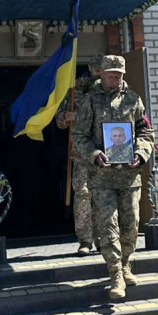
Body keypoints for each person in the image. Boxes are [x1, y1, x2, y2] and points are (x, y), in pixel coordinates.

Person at [72, 56, 154, 301]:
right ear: (102, 74)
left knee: (131, 226)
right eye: (110, 75)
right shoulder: (90, 102)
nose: (114, 79)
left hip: (129, 177)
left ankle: (126, 262)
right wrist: (95, 154)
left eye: (118, 75)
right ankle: (115, 272)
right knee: (108, 227)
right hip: (102, 178)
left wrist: (140, 153)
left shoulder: (133, 100)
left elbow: (145, 131)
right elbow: (78, 136)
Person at [55, 55, 103, 256]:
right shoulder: (76, 89)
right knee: (83, 195)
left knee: (103, 196)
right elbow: (59, 120)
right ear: (91, 69)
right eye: (97, 69)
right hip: (82, 154)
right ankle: (85, 240)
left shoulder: (111, 90)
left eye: (103, 69)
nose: (100, 73)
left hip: (105, 153)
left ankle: (104, 238)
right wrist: (66, 117)